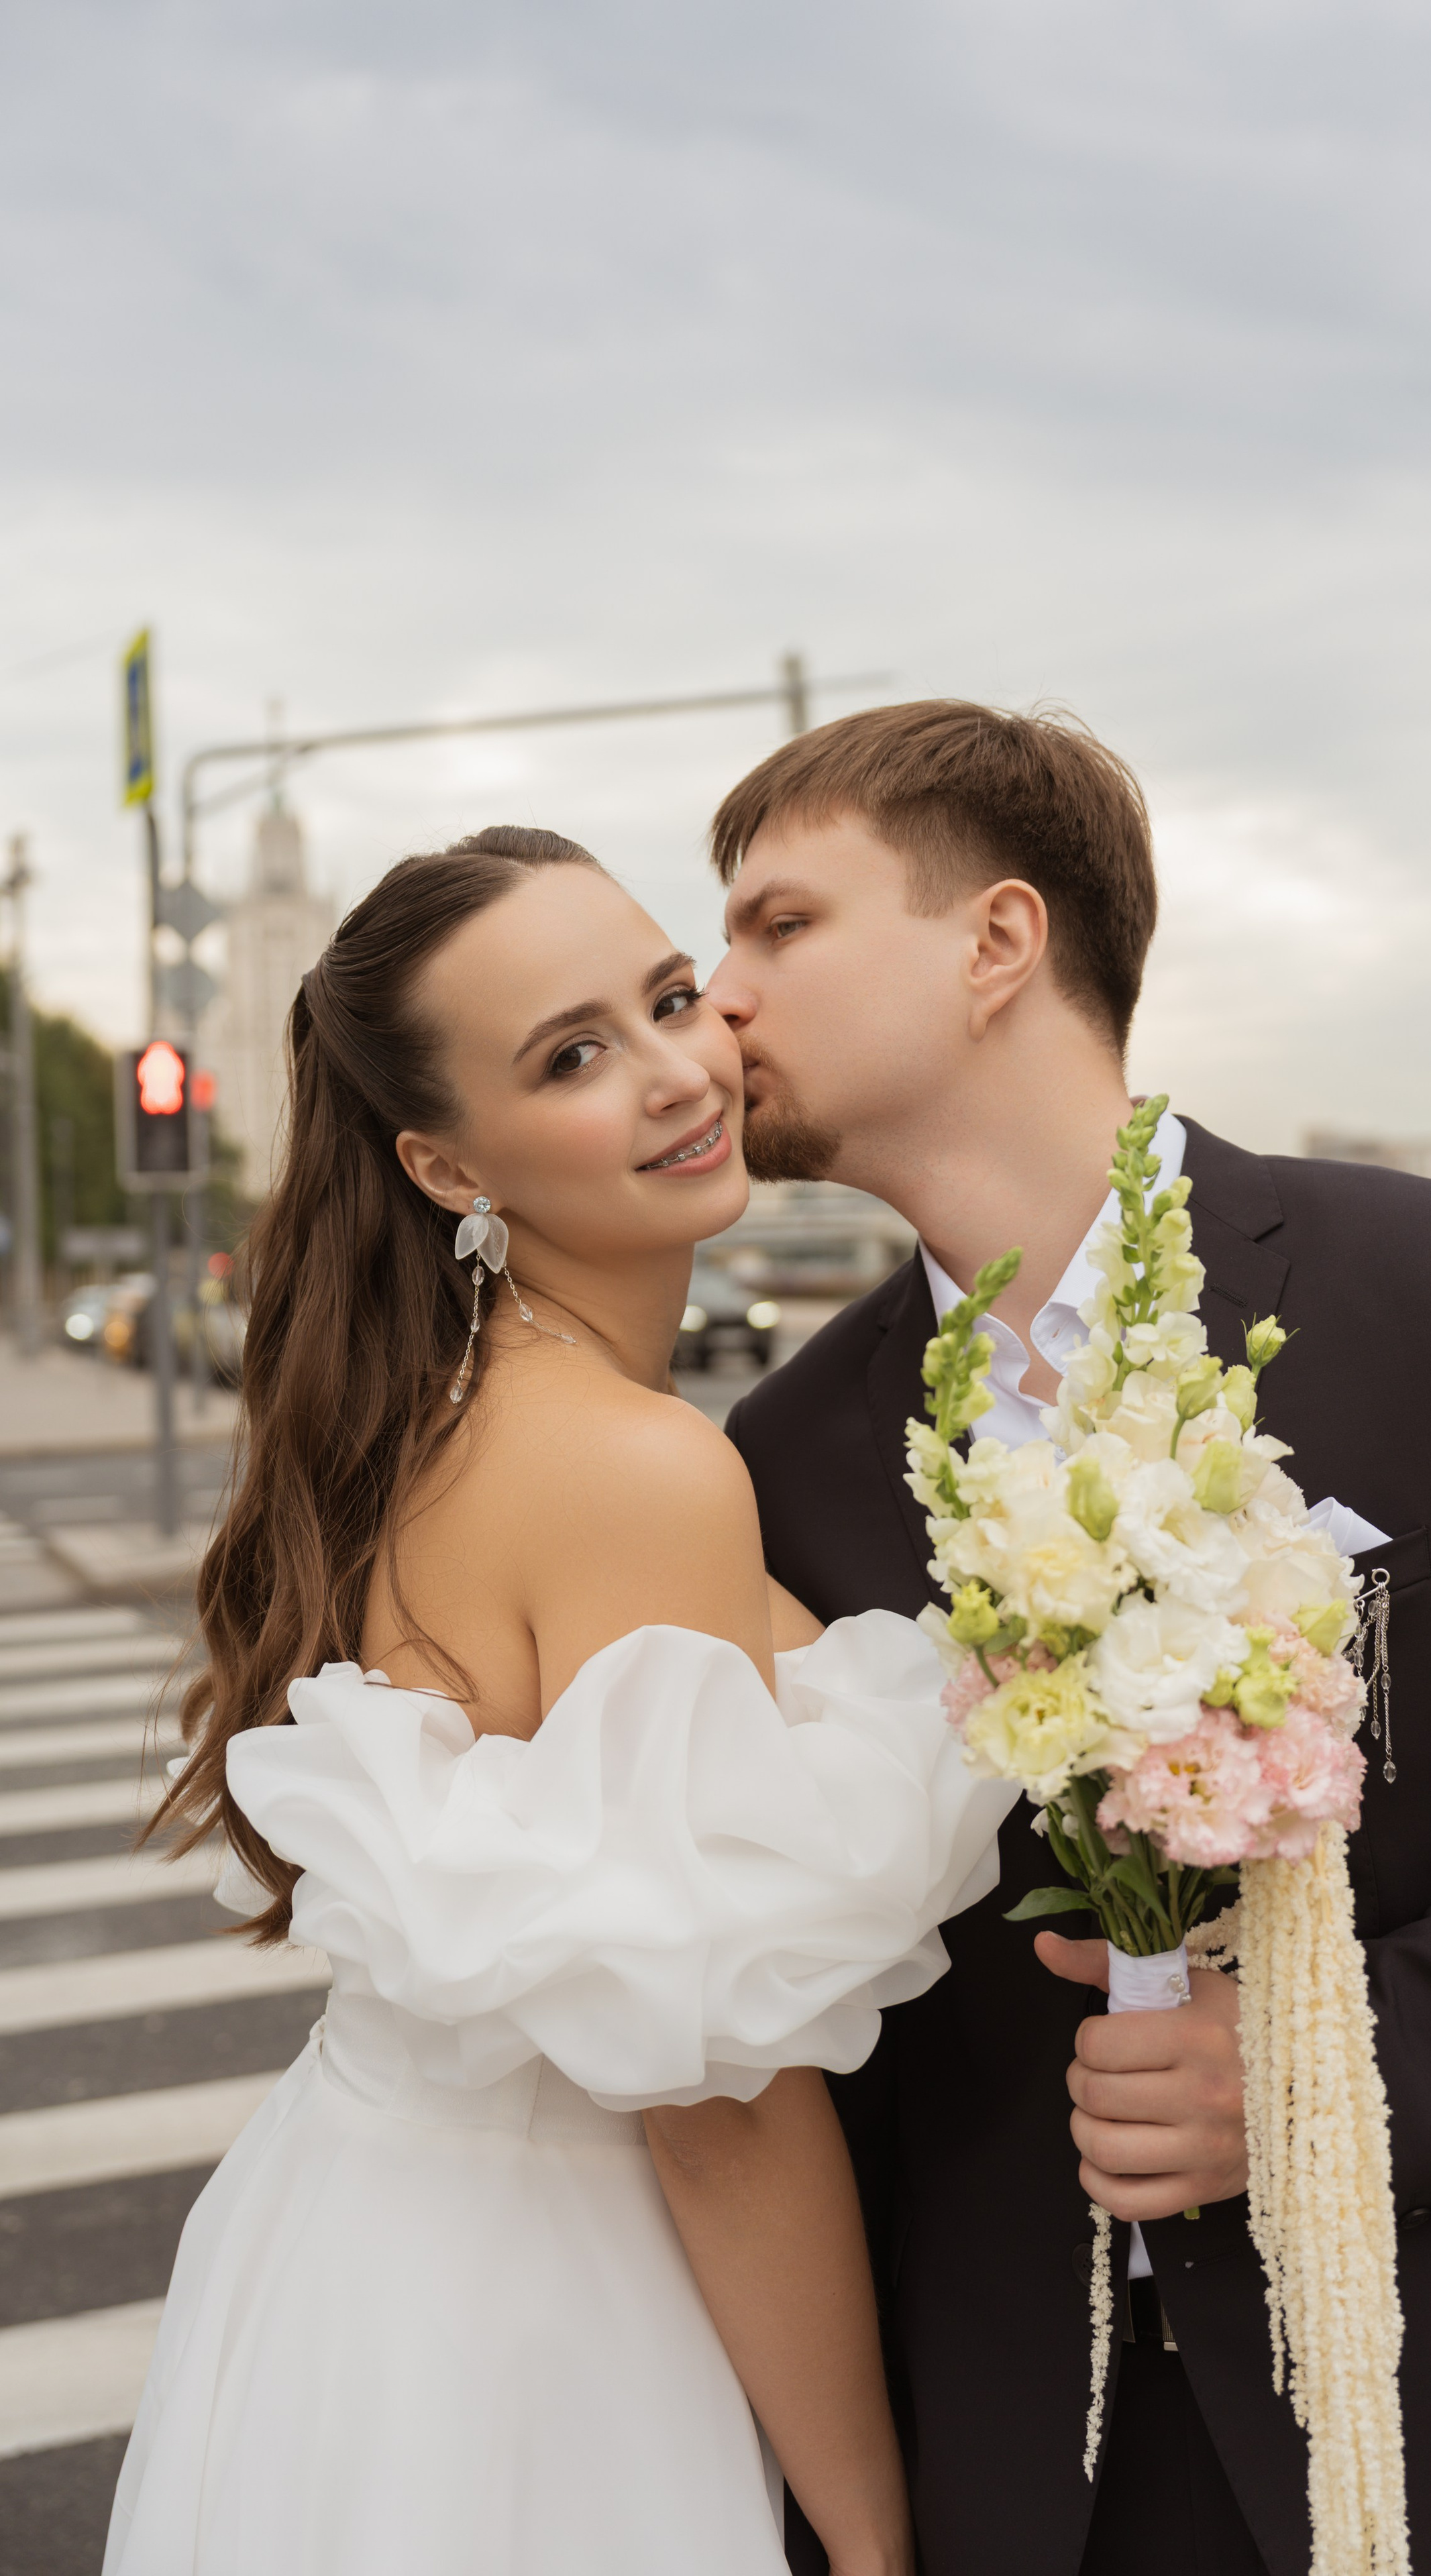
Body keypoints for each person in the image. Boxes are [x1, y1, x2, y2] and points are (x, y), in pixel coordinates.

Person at [706, 702, 1431, 2576]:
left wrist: (1328, 2066)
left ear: (998, 942)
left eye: (780, 926)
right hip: (1041, 2480)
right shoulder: (775, 1464)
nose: (720, 993)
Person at [105, 826, 1012, 2576]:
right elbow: (718, 2113)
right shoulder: (633, 1467)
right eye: (574, 1056)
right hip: (544, 2318)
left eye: (670, 998)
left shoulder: (428, 1416)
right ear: (447, 1166)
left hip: (359, 2260)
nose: (679, 1072)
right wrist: (877, 2538)